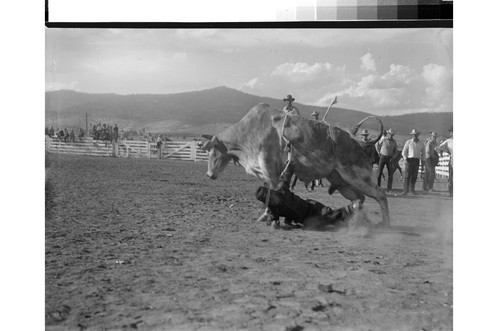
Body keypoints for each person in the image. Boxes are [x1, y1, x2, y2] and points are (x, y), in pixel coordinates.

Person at [255, 182, 362, 229]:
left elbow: (288, 170)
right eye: (269, 201)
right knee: (318, 225)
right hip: (304, 220)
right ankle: (348, 220)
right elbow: (274, 220)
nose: (272, 201)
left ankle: (352, 208)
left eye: (271, 197)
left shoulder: (282, 188)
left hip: (310, 206)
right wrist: (275, 224)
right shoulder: (274, 210)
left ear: (272, 192)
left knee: (326, 214)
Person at [401, 129, 425, 195]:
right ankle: (405, 190)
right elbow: (404, 152)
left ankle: (412, 190)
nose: (414, 136)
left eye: (415, 135)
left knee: (414, 176)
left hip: (416, 160)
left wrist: (423, 160)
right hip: (409, 160)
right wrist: (405, 159)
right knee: (407, 175)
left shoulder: (421, 144)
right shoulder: (408, 142)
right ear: (412, 135)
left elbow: (424, 153)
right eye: (413, 135)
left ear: (418, 135)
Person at [376, 128, 398, 193]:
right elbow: (377, 144)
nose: (391, 135)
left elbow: (396, 151)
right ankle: (378, 187)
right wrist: (378, 152)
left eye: (392, 134)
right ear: (388, 134)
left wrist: (393, 157)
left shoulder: (394, 142)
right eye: (390, 134)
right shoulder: (383, 139)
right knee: (379, 172)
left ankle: (389, 189)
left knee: (390, 174)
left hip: (390, 158)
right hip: (383, 156)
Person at [436, 127, 453, 197]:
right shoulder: (448, 141)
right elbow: (439, 147)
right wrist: (445, 150)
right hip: (452, 161)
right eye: (451, 132)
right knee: (451, 177)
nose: (451, 133)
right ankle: (451, 192)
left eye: (451, 131)